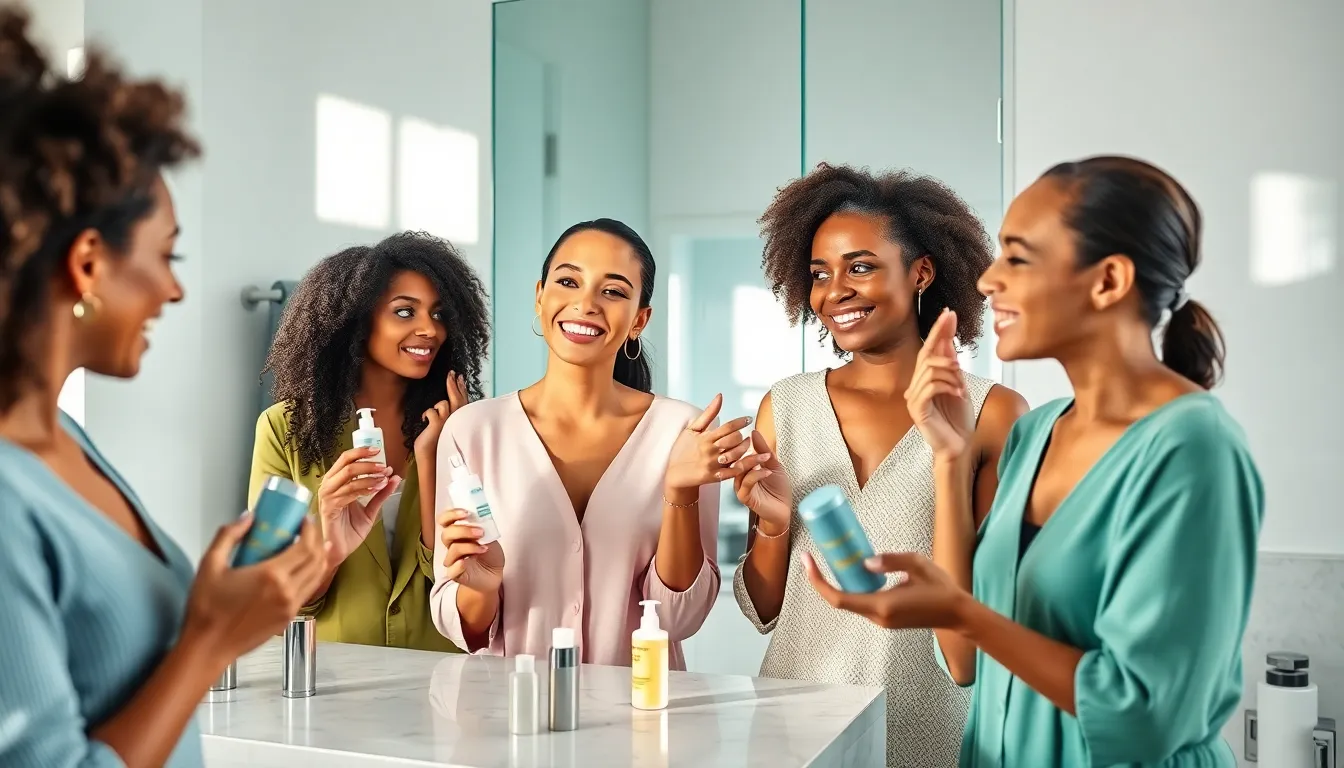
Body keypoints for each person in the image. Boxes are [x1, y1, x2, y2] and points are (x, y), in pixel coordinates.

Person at [807, 156, 1263, 767]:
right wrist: (949, 455)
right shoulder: (1035, 435)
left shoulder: (1192, 450)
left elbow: (1145, 723)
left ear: (1107, 281)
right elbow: (963, 663)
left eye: (1018, 258)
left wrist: (960, 610)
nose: (989, 280)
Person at [0, 10, 328, 767]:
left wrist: (234, 597)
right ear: (88, 264)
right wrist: (212, 640)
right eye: (166, 256)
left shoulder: (66, 441)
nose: (175, 291)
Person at [730, 163, 1027, 767]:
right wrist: (773, 525)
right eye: (819, 273)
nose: (834, 289)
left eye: (859, 266)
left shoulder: (993, 414)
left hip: (930, 723)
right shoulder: (784, 406)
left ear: (921, 271)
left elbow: (982, 612)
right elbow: (764, 612)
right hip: (796, 720)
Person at [429, 218, 742, 666]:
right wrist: (482, 587)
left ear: (639, 318)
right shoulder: (472, 432)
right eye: (568, 281)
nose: (585, 303)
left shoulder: (684, 432)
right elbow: (466, 631)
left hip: (641, 715)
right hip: (510, 718)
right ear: (540, 297)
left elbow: (679, 619)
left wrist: (681, 491)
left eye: (612, 290)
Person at [250, 233, 490, 651]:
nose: (429, 329)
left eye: (438, 314)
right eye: (404, 311)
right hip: (333, 680)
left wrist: (435, 457)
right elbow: (270, 601)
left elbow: (465, 581)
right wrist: (328, 548)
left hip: (439, 682)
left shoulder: (465, 426)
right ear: (357, 323)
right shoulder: (282, 430)